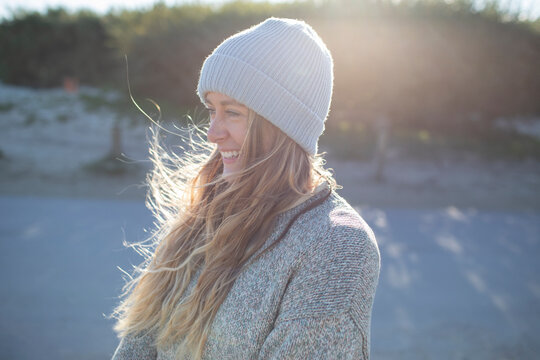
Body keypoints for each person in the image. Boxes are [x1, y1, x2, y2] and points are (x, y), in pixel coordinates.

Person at [111, 17, 380, 360]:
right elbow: (138, 346)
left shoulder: (337, 244)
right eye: (212, 110)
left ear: (282, 125)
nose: (213, 132)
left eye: (233, 112)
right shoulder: (202, 218)